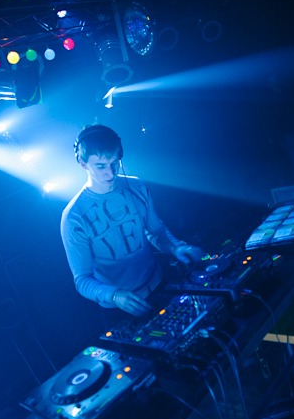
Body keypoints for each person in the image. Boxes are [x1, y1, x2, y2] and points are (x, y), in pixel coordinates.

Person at [60, 124, 204, 318]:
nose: (110, 173)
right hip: (119, 309)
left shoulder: (136, 186)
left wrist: (176, 247)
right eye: (101, 166)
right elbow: (82, 280)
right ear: (82, 163)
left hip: (160, 285)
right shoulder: (73, 216)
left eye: (115, 162)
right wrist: (114, 295)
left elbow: (156, 232)